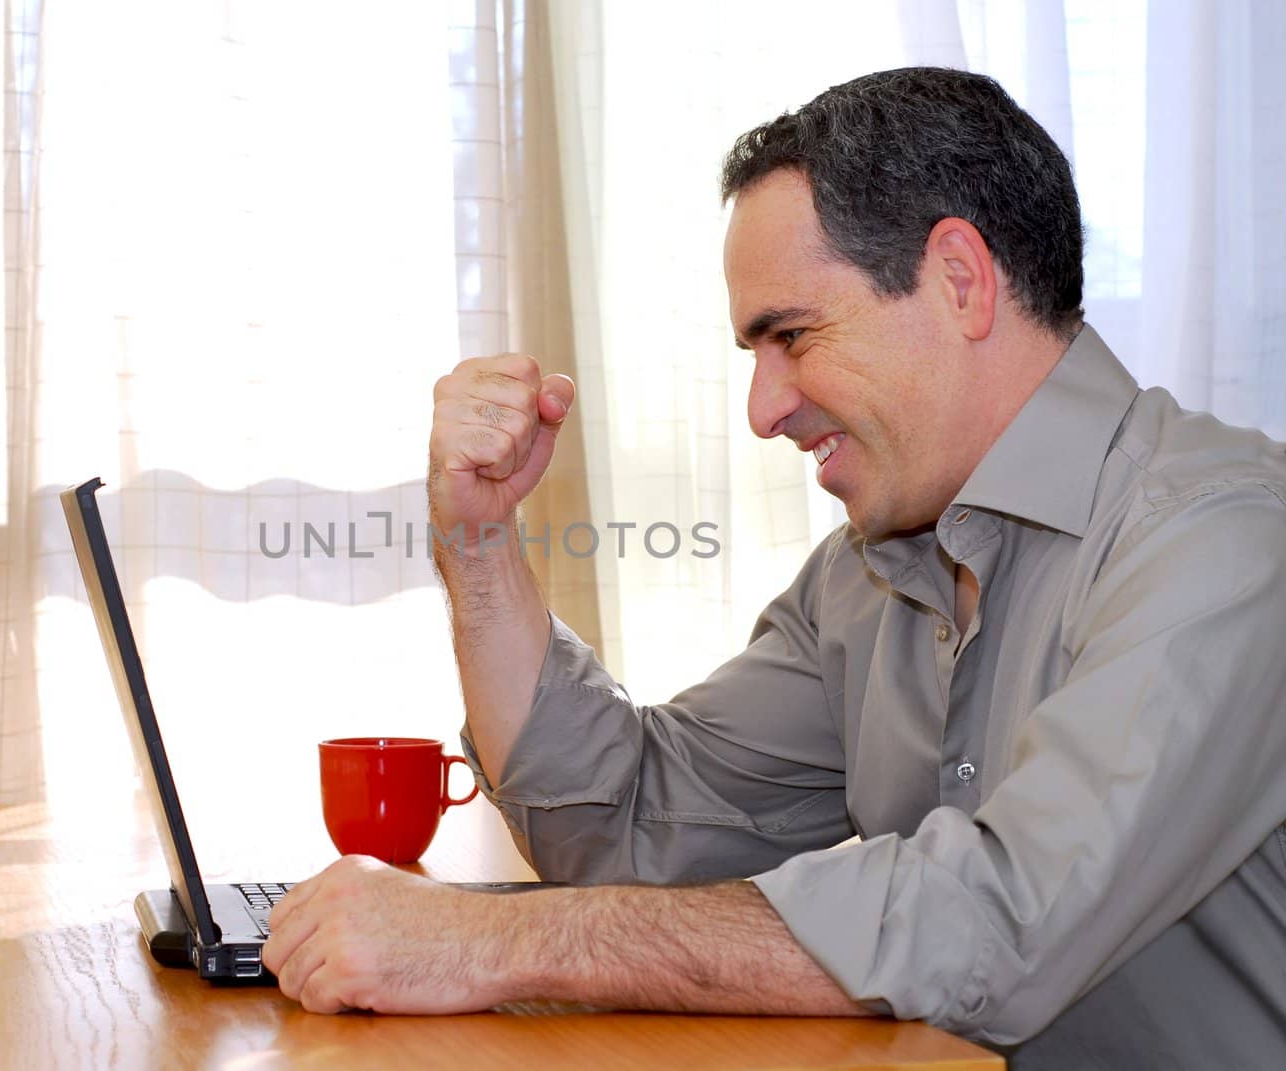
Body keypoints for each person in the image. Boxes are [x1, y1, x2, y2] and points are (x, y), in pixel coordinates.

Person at [262, 67, 1286, 1067]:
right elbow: (625, 831)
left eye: (791, 335)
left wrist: (488, 941)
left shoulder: (1227, 537)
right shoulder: (869, 574)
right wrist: (478, 546)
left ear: (960, 281)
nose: (762, 410)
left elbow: (997, 918)